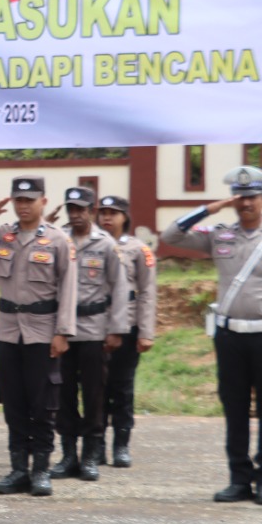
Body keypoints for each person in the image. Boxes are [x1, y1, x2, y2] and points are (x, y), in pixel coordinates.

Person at [160, 166, 262, 506]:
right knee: (235, 410)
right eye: (240, 197)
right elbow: (170, 235)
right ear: (233, 200)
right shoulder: (219, 235)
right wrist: (210, 208)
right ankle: (239, 479)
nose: (246, 203)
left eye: (252, 197)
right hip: (230, 338)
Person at [0, 177, 78, 497]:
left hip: (43, 331)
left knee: (44, 403)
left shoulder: (59, 240)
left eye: (29, 200)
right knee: (15, 403)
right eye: (18, 200)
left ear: (43, 202)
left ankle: (41, 470)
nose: (23, 206)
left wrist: (63, 332)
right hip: (9, 332)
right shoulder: (2, 234)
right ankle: (18, 469)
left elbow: (69, 289)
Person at [50, 186, 130, 483]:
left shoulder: (105, 244)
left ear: (91, 210)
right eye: (71, 209)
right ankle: (68, 454)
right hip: (62, 331)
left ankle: (91, 455)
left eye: (81, 209)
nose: (75, 214)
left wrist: (116, 329)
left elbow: (119, 288)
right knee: (63, 393)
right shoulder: (58, 239)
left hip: (95, 328)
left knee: (95, 395)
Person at [97, 194, 157, 468]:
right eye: (103, 212)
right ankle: (95, 445)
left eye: (114, 213)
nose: (107, 217)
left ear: (125, 217)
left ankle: (121, 445)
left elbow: (147, 292)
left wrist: (146, 331)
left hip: (128, 326)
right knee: (94, 388)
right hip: (94, 326)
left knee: (121, 388)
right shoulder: (90, 244)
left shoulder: (137, 249)